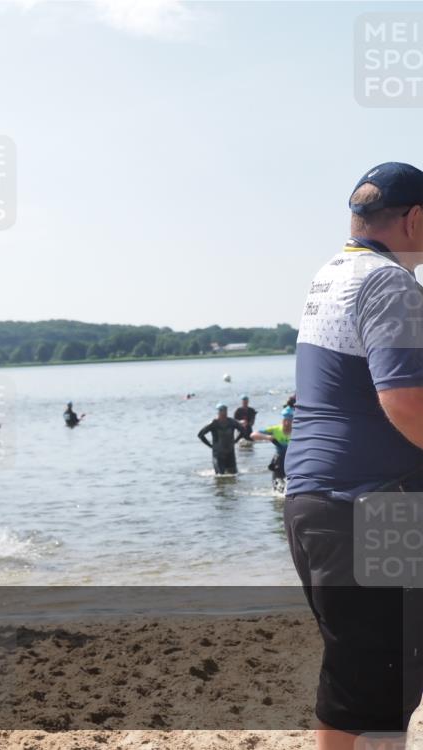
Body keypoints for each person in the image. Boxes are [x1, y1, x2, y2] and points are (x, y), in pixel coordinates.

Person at [285, 162, 423, 745]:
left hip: (318, 501)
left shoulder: (334, 274)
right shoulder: (389, 283)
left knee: (375, 681)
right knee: (370, 684)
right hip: (368, 504)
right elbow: (406, 402)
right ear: (415, 220)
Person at [250, 406, 293, 494]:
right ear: (282, 420)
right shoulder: (276, 429)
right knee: (277, 490)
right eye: (285, 420)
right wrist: (267, 437)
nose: (287, 423)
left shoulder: (297, 431)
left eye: (290, 420)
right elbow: (253, 435)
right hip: (278, 461)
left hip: (292, 461)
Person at [197, 403, 247, 475]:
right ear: (218, 412)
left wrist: (235, 441)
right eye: (221, 411)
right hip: (218, 455)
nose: (224, 413)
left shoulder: (232, 422)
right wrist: (210, 446)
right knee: (220, 475)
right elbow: (200, 435)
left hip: (230, 453)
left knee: (234, 475)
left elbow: (243, 431)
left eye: (225, 411)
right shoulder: (213, 423)